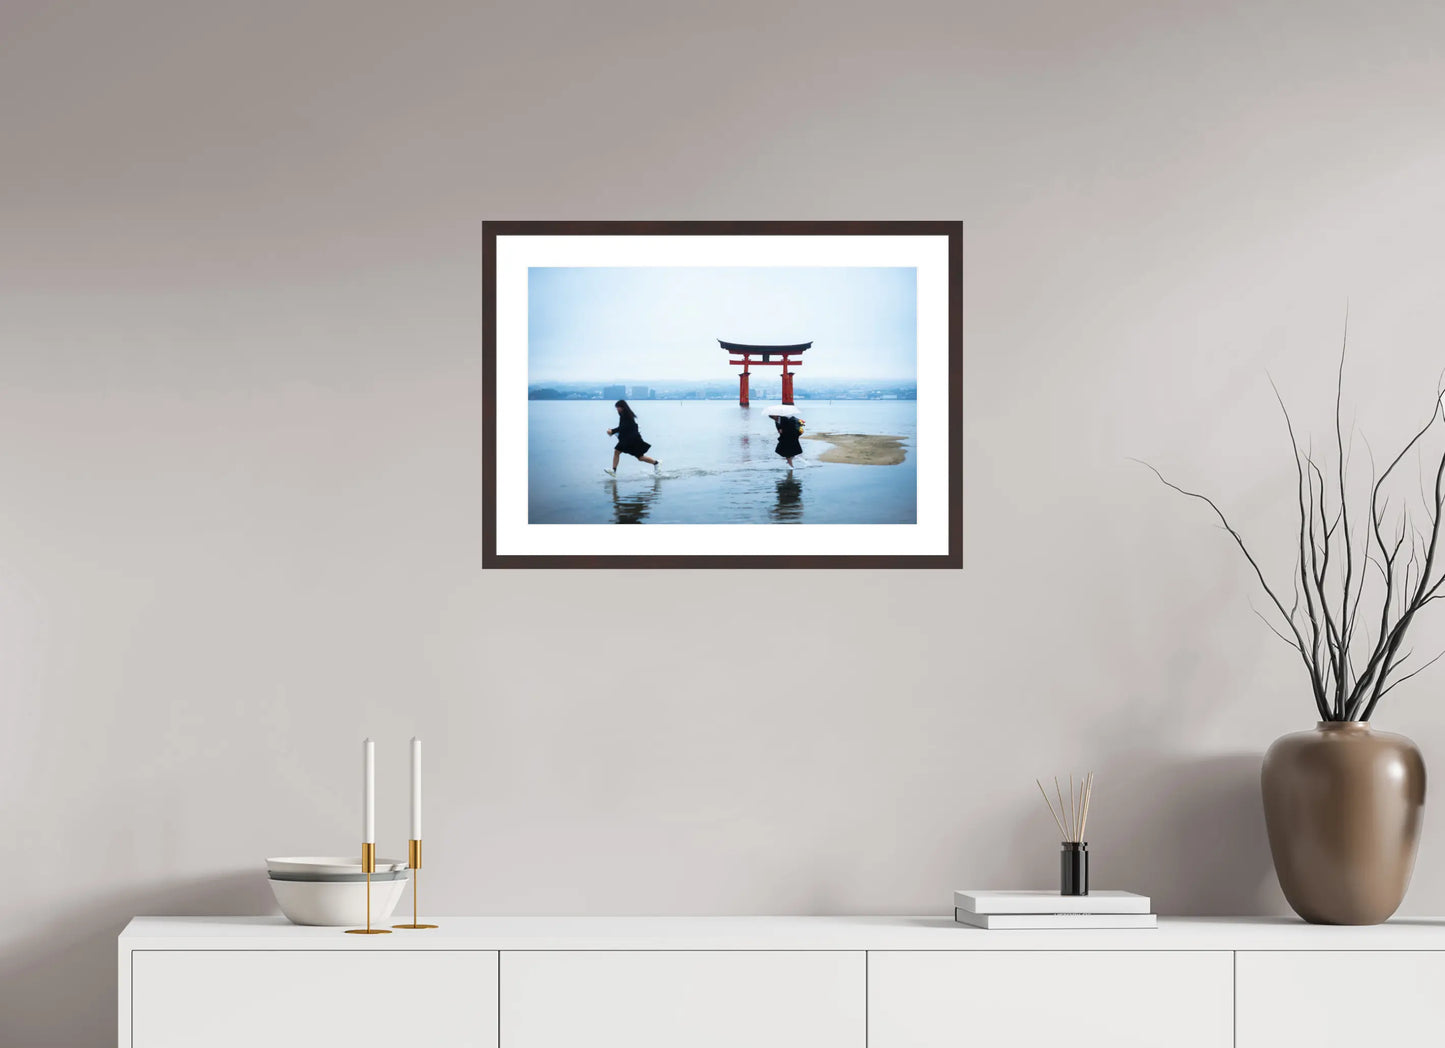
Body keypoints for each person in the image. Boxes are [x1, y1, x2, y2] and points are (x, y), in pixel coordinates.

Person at [604, 399, 659, 475]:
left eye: (618, 407)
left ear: (622, 407)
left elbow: (623, 427)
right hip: (628, 439)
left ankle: (656, 463)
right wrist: (613, 432)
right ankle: (656, 463)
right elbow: (623, 428)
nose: (617, 409)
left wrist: (612, 431)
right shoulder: (624, 415)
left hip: (631, 440)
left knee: (639, 457)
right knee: (635, 456)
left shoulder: (626, 415)